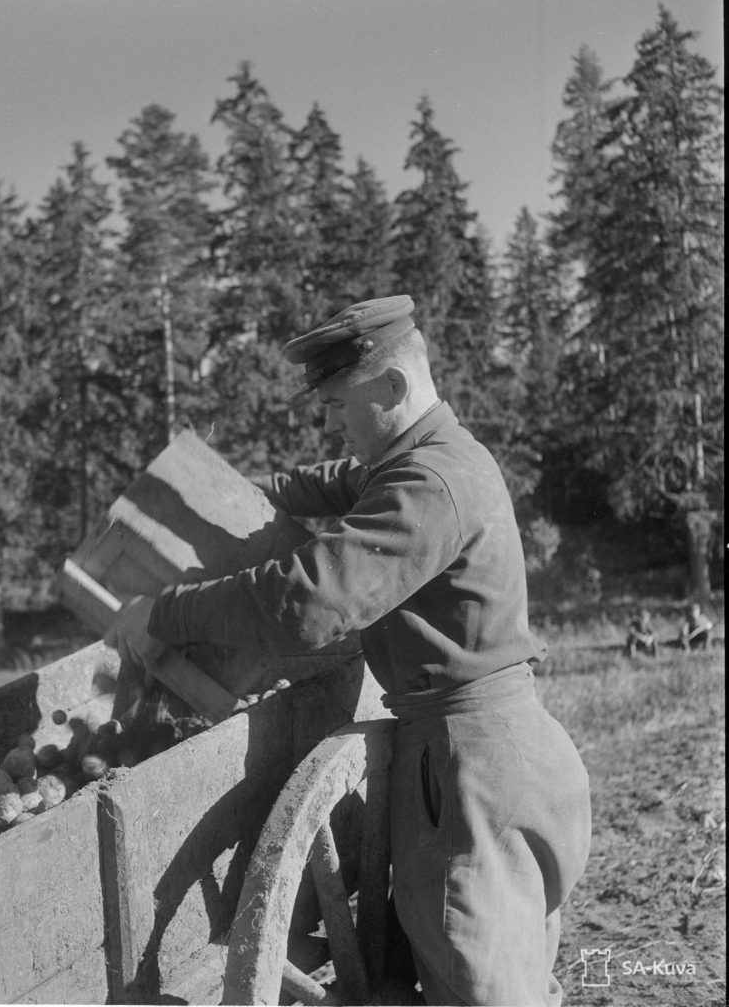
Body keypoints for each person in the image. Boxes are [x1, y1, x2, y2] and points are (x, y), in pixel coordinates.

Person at [106, 295, 592, 1007]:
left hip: (468, 773)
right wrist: (223, 496)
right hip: (504, 749)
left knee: (482, 991)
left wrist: (167, 613)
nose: (328, 424)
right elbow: (325, 483)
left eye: (337, 404)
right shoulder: (421, 457)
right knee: (512, 977)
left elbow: (310, 602)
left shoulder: (429, 484)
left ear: (393, 389)